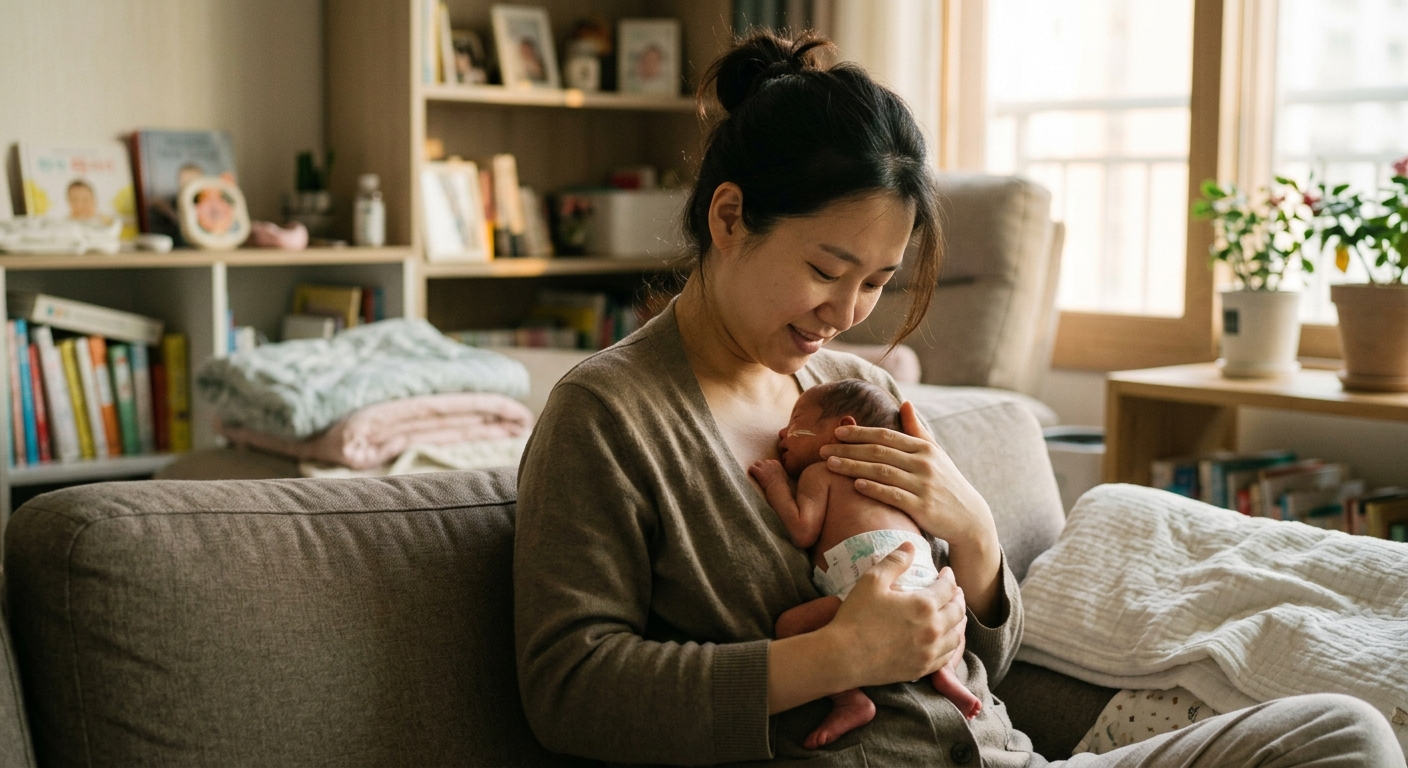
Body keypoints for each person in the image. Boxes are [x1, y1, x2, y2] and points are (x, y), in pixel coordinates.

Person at [514, 29, 1404, 768]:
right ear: (728, 217)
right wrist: (832, 657)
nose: (848, 312)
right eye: (827, 270)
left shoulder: (847, 395)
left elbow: (983, 666)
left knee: (1342, 732)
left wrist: (975, 539)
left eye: (877, 282)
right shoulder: (610, 414)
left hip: (1009, 758)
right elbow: (569, 690)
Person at [749, 378, 984, 751]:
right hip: (923, 573)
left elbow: (801, 530)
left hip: (862, 581)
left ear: (844, 429)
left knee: (789, 625)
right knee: (951, 611)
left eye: (796, 423)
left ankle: (850, 700)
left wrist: (777, 481)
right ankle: (948, 672)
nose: (782, 432)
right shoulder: (895, 478)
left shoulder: (820, 472)